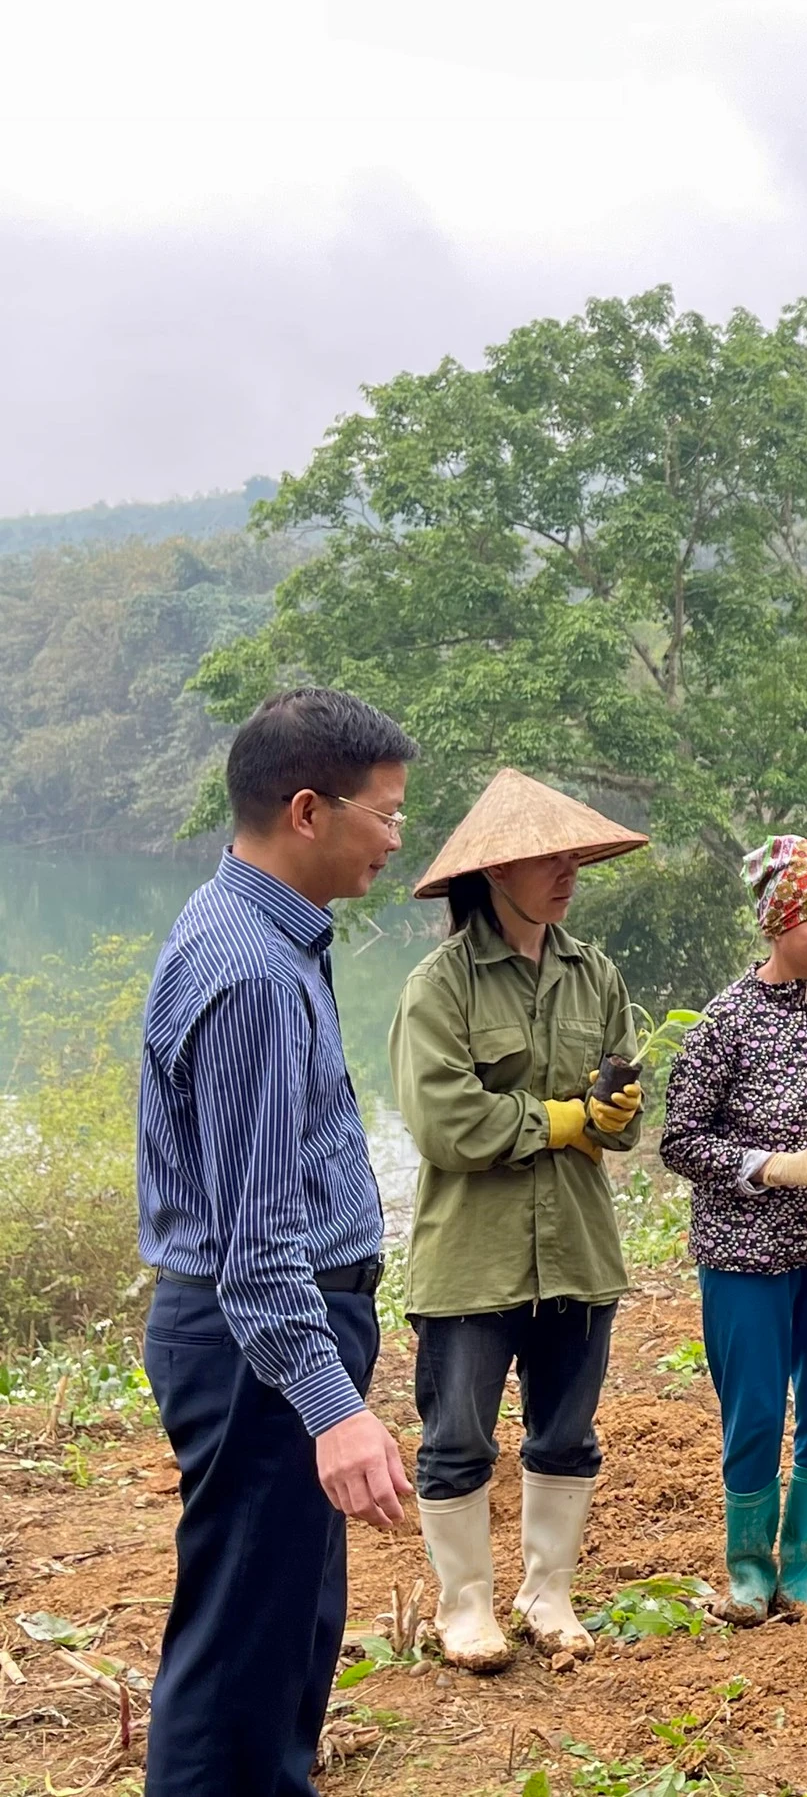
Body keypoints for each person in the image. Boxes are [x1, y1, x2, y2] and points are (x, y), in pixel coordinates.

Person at [137, 686, 418, 1796]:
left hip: (272, 1332)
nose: (397, 839)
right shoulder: (250, 970)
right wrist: (332, 1404)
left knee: (286, 1633)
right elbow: (255, 1246)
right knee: (242, 1663)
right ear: (310, 809)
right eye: (387, 814)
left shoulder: (263, 932)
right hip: (260, 1341)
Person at [390, 769, 649, 1672]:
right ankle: (465, 1608)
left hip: (576, 1249)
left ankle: (548, 1592)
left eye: (575, 854)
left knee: (567, 1433)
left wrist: (615, 1117)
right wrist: (563, 1120)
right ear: (495, 871)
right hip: (471, 1257)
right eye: (549, 856)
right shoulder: (441, 987)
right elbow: (448, 1124)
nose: (568, 870)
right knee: (457, 1436)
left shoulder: (596, 975)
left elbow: (624, 1108)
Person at [661, 837, 807, 1621]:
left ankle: (803, 1572)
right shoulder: (725, 1021)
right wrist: (773, 1166)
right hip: (746, 1254)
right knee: (757, 1408)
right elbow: (680, 1139)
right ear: (776, 924)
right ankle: (748, 1572)